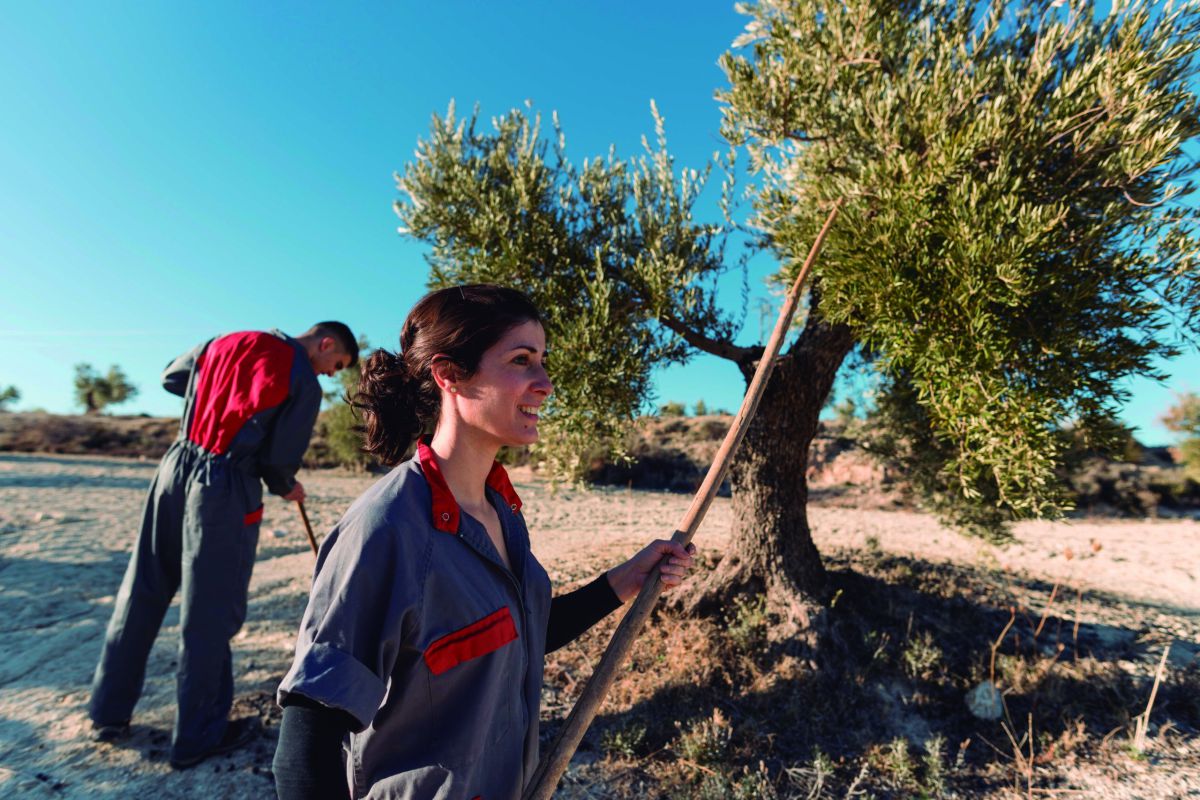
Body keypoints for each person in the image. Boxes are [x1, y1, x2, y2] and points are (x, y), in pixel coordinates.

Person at [272, 285, 695, 799]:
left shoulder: (501, 512)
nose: (545, 383)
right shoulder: (388, 530)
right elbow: (304, 748)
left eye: (542, 360)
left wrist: (622, 582)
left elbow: (520, 633)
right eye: (522, 360)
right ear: (449, 374)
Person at [88, 322, 358, 770]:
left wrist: (218, 398)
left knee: (143, 589)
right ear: (325, 343)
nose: (331, 374)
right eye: (337, 365)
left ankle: (107, 712)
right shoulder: (302, 379)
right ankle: (198, 737)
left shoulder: (225, 341)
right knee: (209, 612)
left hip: (175, 465)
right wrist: (286, 485)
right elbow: (277, 460)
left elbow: (171, 377)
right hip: (224, 486)